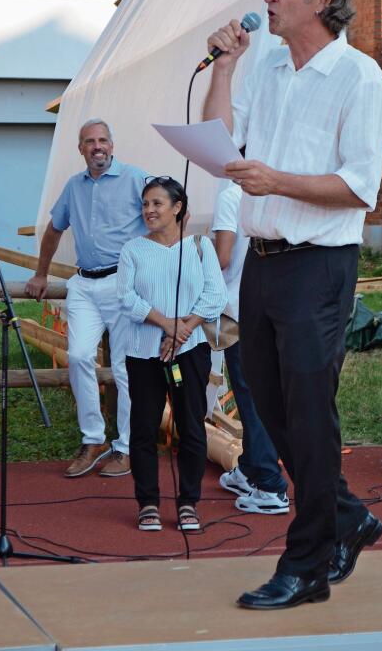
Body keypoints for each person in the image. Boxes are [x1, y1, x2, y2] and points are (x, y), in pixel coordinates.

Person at [202, 0, 382, 610]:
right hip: (262, 263)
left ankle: (306, 564)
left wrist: (276, 179)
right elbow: (222, 142)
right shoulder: (271, 71)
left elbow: (359, 188)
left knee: (309, 415)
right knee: (272, 411)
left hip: (318, 266)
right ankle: (347, 516)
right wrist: (226, 67)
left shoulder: (362, 79)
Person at [25, 119, 147, 478]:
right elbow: (54, 229)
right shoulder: (73, 186)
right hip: (84, 284)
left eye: (103, 140)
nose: (98, 146)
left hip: (125, 283)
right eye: (90, 141)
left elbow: (165, 216)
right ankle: (93, 439)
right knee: (77, 356)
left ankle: (125, 448)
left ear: (112, 145)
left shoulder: (136, 177)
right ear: (80, 148)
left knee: (126, 369)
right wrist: (41, 272)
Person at [117, 177, 227, 531]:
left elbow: (215, 296)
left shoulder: (199, 246)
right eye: (145, 204)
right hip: (143, 353)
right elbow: (126, 297)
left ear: (177, 208)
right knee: (144, 427)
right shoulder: (132, 249)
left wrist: (183, 330)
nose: (149, 210)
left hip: (190, 351)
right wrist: (167, 324)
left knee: (191, 426)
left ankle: (188, 503)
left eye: (157, 204)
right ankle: (147, 502)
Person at [213, 180, 288, 513]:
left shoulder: (231, 195)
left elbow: (223, 258)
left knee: (249, 395)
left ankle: (270, 485)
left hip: (239, 309)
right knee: (262, 395)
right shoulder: (280, 193)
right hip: (275, 306)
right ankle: (250, 467)